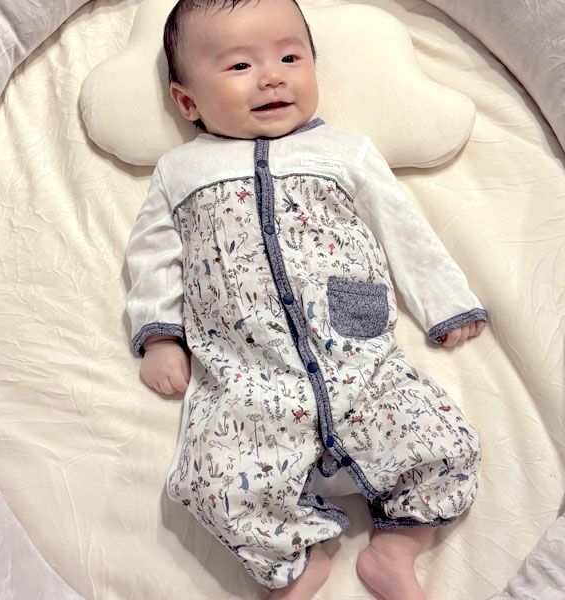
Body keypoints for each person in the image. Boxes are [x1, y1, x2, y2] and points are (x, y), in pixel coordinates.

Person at [124, 0, 487, 597]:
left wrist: (444, 302)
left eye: (290, 58)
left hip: (359, 360)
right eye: (240, 65)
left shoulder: (346, 152)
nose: (272, 77)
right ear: (187, 102)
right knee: (209, 483)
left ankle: (394, 552)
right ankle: (298, 558)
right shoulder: (180, 170)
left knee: (446, 444)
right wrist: (161, 334)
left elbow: (403, 229)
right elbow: (152, 256)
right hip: (246, 375)